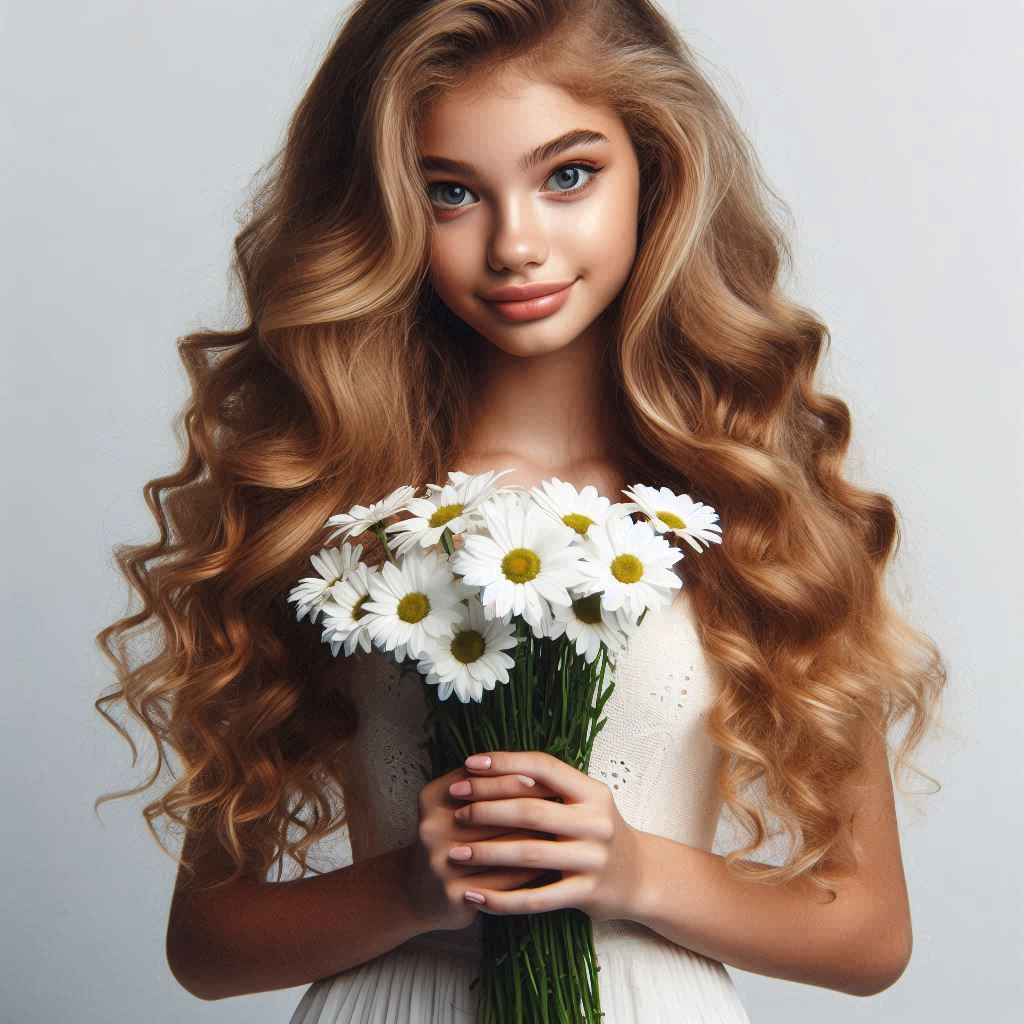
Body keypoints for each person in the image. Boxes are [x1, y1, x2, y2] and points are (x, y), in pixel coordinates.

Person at [94, 1, 948, 1020]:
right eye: (449, 192)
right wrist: (411, 888)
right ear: (386, 214)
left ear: (656, 173)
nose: (515, 244)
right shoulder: (333, 506)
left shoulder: (755, 507)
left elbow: (867, 935)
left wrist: (634, 871)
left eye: (568, 175)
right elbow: (208, 946)